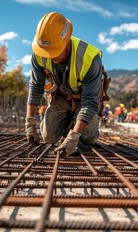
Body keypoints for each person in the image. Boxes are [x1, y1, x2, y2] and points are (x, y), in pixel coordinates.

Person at [25, 12, 103, 158]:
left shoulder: (89, 58)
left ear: (66, 42)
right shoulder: (40, 52)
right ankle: (66, 122)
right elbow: (36, 86)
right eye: (47, 53)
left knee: (89, 139)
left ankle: (77, 124)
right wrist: (29, 122)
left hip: (83, 101)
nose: (51, 57)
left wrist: (74, 137)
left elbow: (90, 102)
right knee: (48, 138)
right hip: (60, 98)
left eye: (55, 52)